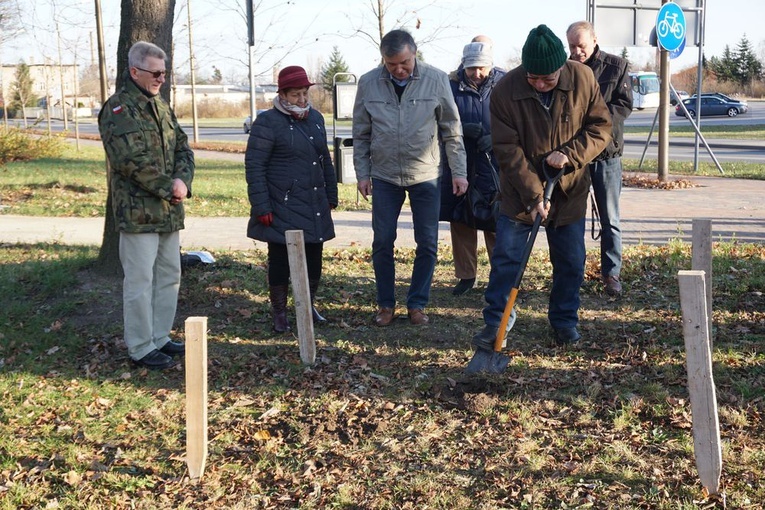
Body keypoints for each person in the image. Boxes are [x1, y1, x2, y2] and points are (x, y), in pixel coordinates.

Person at [472, 24, 612, 350]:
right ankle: (497, 325)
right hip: (519, 195)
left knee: (571, 263)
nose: (540, 84)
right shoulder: (506, 91)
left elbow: (601, 127)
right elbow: (507, 150)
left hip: (569, 191)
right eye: (533, 77)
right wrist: (534, 195)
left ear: (562, 66)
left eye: (548, 78)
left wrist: (570, 155)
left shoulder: (582, 79)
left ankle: (564, 322)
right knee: (507, 261)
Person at [353, 29, 468, 327]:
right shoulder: (368, 83)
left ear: (414, 53)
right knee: (382, 241)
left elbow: (451, 130)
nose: (399, 69)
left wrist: (459, 172)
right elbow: (361, 133)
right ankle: (385, 304)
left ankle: (417, 304)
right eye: (391, 65)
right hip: (384, 174)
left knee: (427, 242)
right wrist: (362, 174)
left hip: (426, 175)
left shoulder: (437, 79)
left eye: (404, 62)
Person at [98, 41, 194, 370]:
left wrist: (183, 181)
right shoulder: (118, 108)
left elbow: (183, 148)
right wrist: (171, 187)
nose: (161, 79)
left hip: (168, 211)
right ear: (135, 71)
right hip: (138, 213)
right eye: (155, 73)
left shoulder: (162, 108)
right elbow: (129, 161)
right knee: (139, 282)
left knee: (169, 276)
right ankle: (140, 347)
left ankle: (160, 337)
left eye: (164, 73)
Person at [245, 66, 338, 333]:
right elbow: (255, 166)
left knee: (314, 256)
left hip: (313, 201)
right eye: (295, 94)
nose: (302, 99)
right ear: (282, 95)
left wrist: (331, 193)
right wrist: (261, 205)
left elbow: (325, 160)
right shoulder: (268, 122)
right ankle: (280, 312)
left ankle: (307, 305)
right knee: (280, 259)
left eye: (305, 93)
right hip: (280, 203)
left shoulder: (316, 119)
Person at [567, 21, 633, 297]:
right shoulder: (566, 69)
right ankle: (573, 272)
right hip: (577, 155)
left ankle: (611, 274)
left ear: (594, 40)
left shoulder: (617, 67)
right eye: (571, 46)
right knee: (572, 217)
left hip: (607, 153)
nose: (576, 51)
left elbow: (624, 105)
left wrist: (598, 123)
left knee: (610, 218)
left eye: (580, 45)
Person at [440, 40, 506, 296]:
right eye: (471, 69)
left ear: (490, 64)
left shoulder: (504, 82)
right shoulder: (450, 85)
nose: (476, 74)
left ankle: (499, 274)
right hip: (461, 161)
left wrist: (496, 137)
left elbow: (517, 120)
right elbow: (440, 119)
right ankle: (466, 275)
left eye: (481, 68)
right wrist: (462, 130)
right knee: (462, 220)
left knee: (495, 219)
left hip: (495, 164)